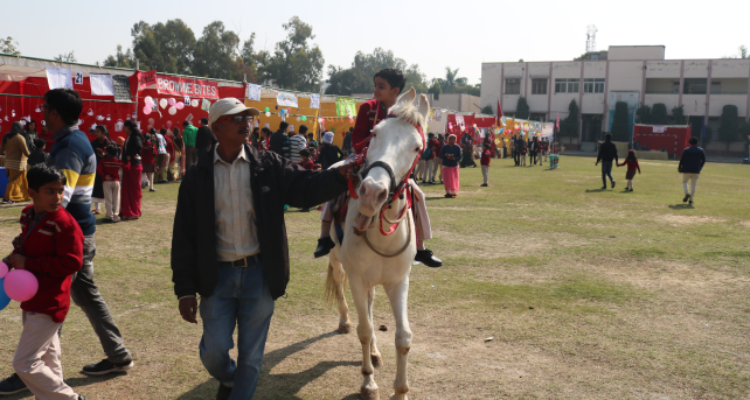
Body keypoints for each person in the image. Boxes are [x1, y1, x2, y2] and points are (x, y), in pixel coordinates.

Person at [171, 98, 356, 400]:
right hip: (216, 277)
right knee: (213, 353)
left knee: (252, 359)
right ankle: (229, 378)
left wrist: (338, 176)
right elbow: (184, 235)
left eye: (249, 117)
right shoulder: (197, 175)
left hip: (259, 275)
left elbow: (306, 187)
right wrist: (185, 290)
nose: (247, 123)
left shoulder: (268, 164)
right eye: (237, 118)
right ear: (218, 126)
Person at [0, 89, 134, 397]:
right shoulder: (71, 141)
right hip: (72, 233)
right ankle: (117, 355)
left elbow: (59, 197)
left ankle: (30, 372)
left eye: (45, 108)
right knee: (85, 296)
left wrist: (35, 232)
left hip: (63, 237)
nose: (42, 114)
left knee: (48, 303)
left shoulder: (70, 146)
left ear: (55, 112)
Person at [315, 68, 443, 268]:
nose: (375, 90)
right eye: (375, 85)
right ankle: (324, 237)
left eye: (381, 87)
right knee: (335, 175)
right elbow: (356, 139)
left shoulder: (403, 114)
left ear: (395, 90)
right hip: (363, 157)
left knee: (417, 194)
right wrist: (372, 143)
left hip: (392, 165)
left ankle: (420, 247)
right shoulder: (368, 108)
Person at [3, 164, 90, 400]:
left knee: (24, 362)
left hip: (50, 301)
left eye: (60, 190)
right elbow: (26, 246)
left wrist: (28, 264)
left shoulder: (64, 224)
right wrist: (12, 259)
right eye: (50, 191)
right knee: (49, 359)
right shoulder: (27, 215)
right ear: (32, 193)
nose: (58, 197)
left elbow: (72, 263)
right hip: (31, 297)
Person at [0, 122, 30, 204]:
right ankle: (7, 198)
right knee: (13, 181)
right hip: (18, 164)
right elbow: (26, 152)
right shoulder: (20, 137)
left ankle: (17, 197)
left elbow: (1, 150)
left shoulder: (7, 136)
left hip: (9, 163)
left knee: (15, 181)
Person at [121, 120, 143, 219]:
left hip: (134, 166)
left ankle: (133, 211)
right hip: (129, 165)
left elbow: (138, 147)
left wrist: (130, 155)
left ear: (128, 126)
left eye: (124, 126)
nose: (123, 128)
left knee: (133, 190)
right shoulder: (129, 136)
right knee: (127, 189)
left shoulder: (135, 136)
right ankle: (127, 211)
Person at [97, 144, 124, 223]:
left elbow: (98, 169)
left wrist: (104, 175)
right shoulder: (118, 160)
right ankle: (116, 216)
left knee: (108, 199)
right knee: (116, 199)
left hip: (106, 181)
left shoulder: (103, 160)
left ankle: (109, 216)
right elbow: (127, 167)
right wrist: (129, 160)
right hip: (116, 181)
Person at [678, 137, 706, 205]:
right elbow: (704, 160)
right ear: (697, 143)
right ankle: (691, 200)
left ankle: (687, 193)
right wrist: (700, 167)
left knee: (685, 182)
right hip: (696, 169)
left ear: (690, 143)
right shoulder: (701, 150)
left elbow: (682, 160)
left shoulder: (686, 150)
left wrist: (679, 167)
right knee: (694, 185)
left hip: (687, 169)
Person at [90, 125, 111, 215]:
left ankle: (108, 208)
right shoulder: (93, 143)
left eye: (98, 131)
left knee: (106, 188)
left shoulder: (109, 143)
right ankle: (97, 208)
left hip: (106, 169)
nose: (96, 133)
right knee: (96, 188)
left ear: (103, 132)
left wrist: (104, 155)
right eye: (95, 131)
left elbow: (113, 155)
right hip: (95, 167)